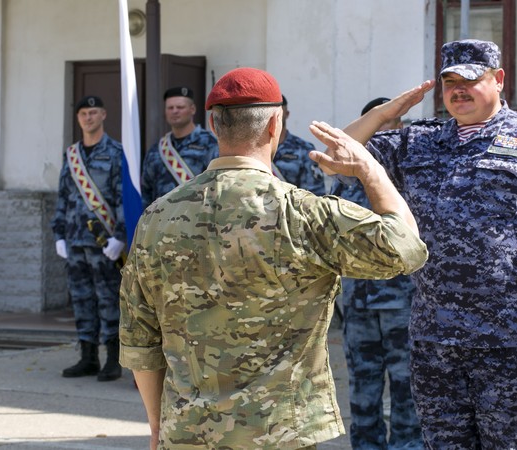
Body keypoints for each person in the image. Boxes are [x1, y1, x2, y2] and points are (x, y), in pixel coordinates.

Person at [119, 67, 430, 450]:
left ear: (214, 127)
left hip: (187, 432)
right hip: (282, 434)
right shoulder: (303, 214)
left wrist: (156, 423)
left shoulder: (155, 218)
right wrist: (369, 168)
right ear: (274, 126)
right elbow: (405, 245)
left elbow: (139, 341)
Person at [320, 39, 517, 448]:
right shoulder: (419, 141)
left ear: (498, 80)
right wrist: (385, 112)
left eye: (470, 79)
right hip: (436, 345)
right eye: (449, 81)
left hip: (510, 344)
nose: (458, 90)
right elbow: (335, 155)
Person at [331, 97, 421, 449]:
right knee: (363, 392)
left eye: (393, 124)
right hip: (359, 303)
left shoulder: (414, 172)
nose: (387, 131)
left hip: (405, 302)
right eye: (378, 124)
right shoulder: (347, 176)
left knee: (407, 391)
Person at [51, 95, 126, 382]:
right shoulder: (71, 155)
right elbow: (64, 196)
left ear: (104, 114)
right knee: (81, 300)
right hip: (74, 240)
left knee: (108, 300)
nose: (88, 118)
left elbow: (122, 198)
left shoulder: (116, 152)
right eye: (83, 113)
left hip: (104, 243)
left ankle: (112, 360)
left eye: (93, 112)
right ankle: (87, 356)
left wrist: (120, 236)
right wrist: (58, 233)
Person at [140, 86, 219, 208]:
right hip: (161, 222)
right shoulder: (156, 150)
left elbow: (218, 185)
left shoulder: (210, 144)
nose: (174, 111)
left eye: (180, 107)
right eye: (170, 108)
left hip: (197, 221)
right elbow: (146, 190)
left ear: (192, 109)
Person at [273, 95, 326, 195]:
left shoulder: (304, 149)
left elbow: (314, 193)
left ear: (287, 114)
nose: (276, 117)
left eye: (279, 113)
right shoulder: (255, 147)